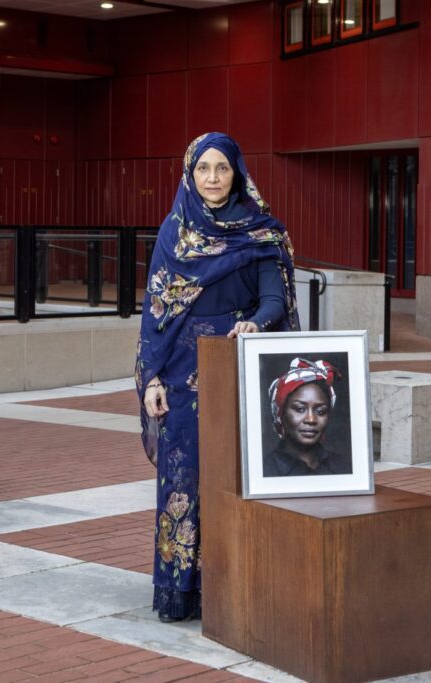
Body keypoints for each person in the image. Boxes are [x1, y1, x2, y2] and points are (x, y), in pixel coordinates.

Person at [135, 132, 299, 623]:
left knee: (236, 477)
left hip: (236, 369)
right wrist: (153, 381)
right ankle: (179, 591)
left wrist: (256, 322)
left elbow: (274, 298)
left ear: (237, 173)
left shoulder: (260, 231)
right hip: (183, 374)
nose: (212, 178)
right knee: (183, 479)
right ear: (190, 173)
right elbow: (157, 313)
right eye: (203, 168)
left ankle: (233, 585)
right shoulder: (174, 231)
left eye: (221, 169)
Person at [263, 358, 351, 477]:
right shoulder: (265, 471)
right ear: (280, 414)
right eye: (300, 409)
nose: (311, 419)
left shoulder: (343, 467)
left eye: (320, 411)